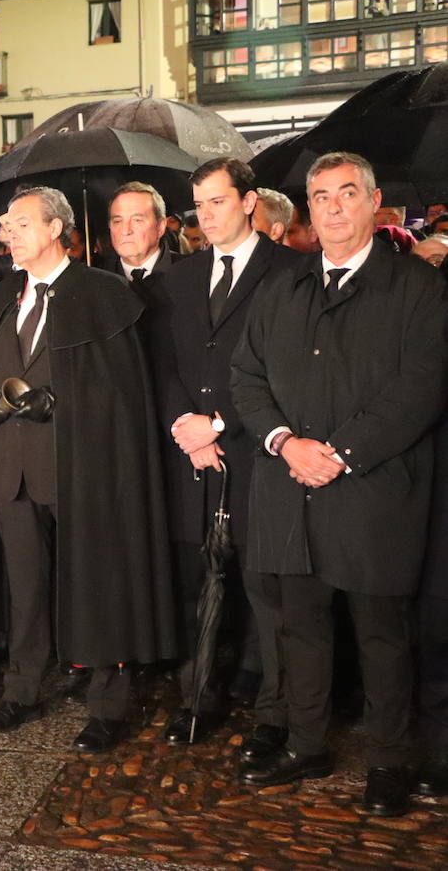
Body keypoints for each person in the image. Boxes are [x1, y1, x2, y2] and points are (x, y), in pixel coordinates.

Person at [230, 151, 448, 817]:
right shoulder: (281, 288)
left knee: (383, 636)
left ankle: (389, 760)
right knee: (301, 630)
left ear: (374, 202)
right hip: (289, 489)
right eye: (320, 197)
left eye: (346, 194)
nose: (332, 208)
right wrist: (286, 443)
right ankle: (306, 743)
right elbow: (247, 376)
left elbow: (420, 389)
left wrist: (343, 453)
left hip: (374, 492)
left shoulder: (417, 287)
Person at [0, 186, 175, 753]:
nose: (8, 233)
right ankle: (24, 689)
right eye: (5, 225)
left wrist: (64, 405)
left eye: (19, 224)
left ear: (56, 229)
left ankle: (109, 702)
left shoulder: (101, 293)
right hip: (12, 469)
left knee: (97, 582)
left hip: (82, 469)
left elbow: (122, 392)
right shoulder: (1, 297)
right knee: (26, 589)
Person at [153, 158, 302, 753]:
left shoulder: (289, 271)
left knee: (266, 590)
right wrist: (185, 426)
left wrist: (219, 424)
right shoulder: (180, 278)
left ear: (249, 202)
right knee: (200, 582)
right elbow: (166, 364)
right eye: (199, 206)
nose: (207, 216)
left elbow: (289, 371)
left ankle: (275, 713)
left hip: (259, 453)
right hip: (195, 456)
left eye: (218, 202)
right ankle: (198, 699)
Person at [100, 182, 174, 297]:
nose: (125, 231)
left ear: (160, 227)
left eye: (137, 220)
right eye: (117, 221)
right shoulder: (96, 280)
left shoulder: (191, 273)